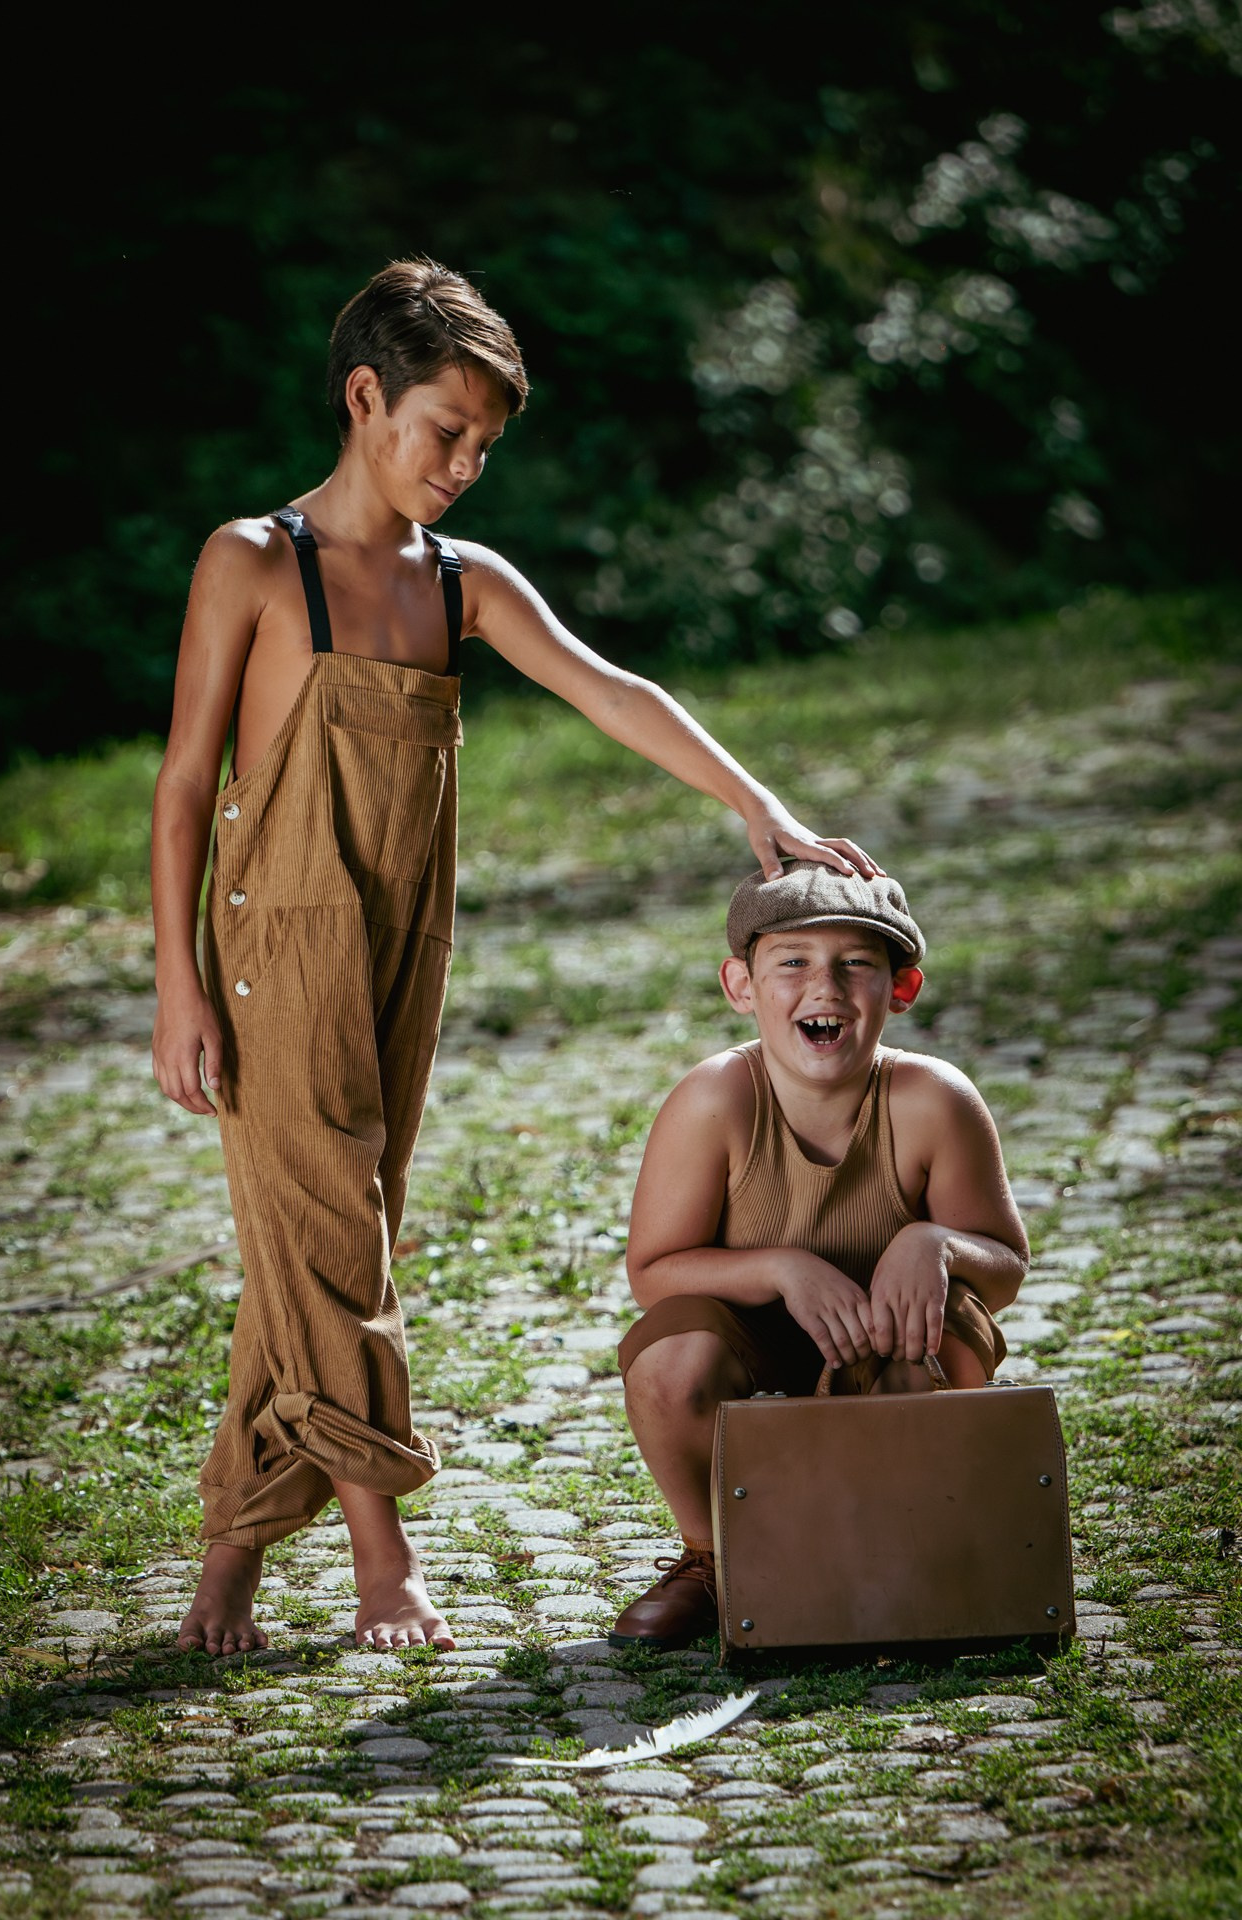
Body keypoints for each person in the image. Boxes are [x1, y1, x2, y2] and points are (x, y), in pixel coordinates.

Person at [150, 257, 880, 1658]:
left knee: (316, 1240)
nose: (467, 464)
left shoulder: (459, 583)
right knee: (339, 1242)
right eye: (446, 431)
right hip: (272, 946)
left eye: (486, 444)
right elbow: (185, 784)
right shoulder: (254, 560)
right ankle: (383, 1558)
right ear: (366, 398)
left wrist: (754, 803)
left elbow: (614, 688)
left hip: (401, 943)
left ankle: (227, 1561)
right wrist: (179, 980)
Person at [610, 859, 1029, 1650]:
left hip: (891, 1337)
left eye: (856, 965)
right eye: (793, 963)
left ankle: (900, 1552)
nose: (825, 989)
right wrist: (779, 1267)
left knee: (922, 1355)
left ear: (900, 990)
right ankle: (714, 1559)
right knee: (669, 1360)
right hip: (758, 1337)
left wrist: (932, 1240)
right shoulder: (714, 1099)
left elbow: (1004, 1264)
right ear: (741, 984)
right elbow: (652, 1273)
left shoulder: (933, 1100)